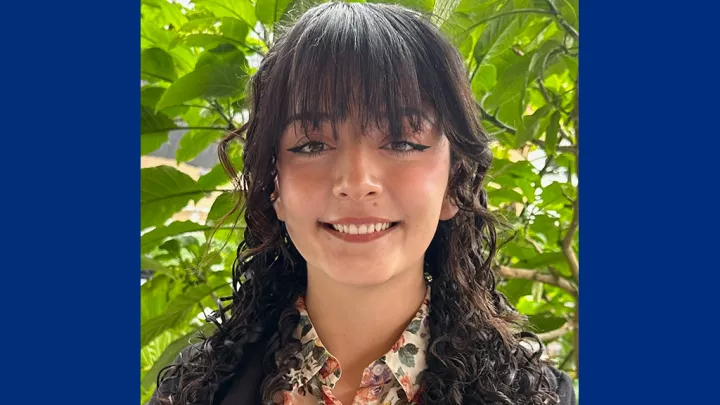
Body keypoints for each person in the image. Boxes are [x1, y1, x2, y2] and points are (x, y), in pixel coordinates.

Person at [150, 2, 576, 405]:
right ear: (273, 185)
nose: (356, 182)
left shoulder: (536, 394)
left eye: (403, 142)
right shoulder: (194, 390)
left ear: (454, 183)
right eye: (312, 144)